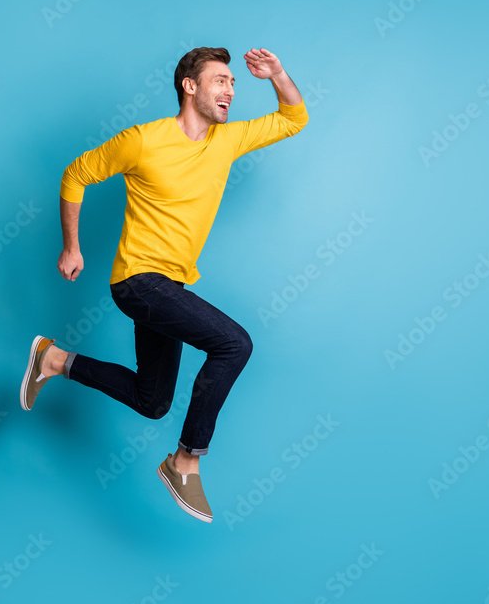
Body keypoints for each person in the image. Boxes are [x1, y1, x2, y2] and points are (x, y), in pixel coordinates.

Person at [20, 46, 308, 523]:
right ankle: (186, 460)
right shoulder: (143, 140)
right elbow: (76, 175)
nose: (231, 90)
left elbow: (293, 117)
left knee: (152, 403)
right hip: (138, 281)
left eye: (234, 83)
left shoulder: (228, 140)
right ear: (189, 86)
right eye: (221, 80)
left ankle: (52, 358)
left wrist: (276, 73)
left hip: (167, 288)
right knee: (234, 345)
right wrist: (72, 247)